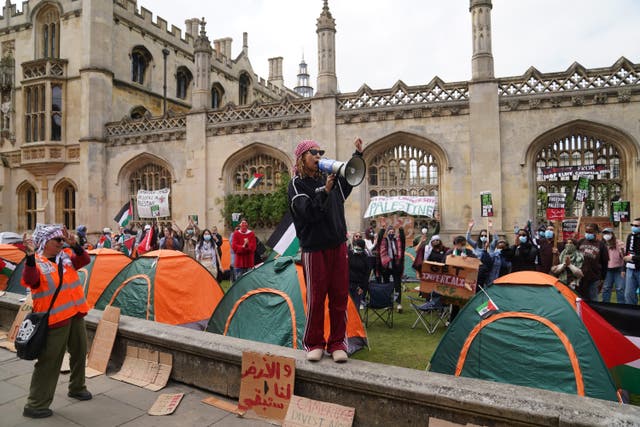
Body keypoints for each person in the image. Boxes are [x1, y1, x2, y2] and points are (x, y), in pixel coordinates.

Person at [288, 137, 364, 363]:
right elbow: (307, 212)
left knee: (340, 296)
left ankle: (338, 342)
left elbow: (349, 181)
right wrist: (324, 191)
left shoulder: (329, 179)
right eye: (313, 152)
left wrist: (357, 156)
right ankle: (314, 343)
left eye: (320, 152)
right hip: (314, 248)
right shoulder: (296, 185)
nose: (318, 156)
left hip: (338, 245)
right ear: (302, 157)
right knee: (317, 297)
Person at [20, 224, 92, 419]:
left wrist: (74, 244)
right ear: (45, 242)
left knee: (79, 352)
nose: (61, 243)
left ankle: (77, 387)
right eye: (57, 240)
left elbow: (85, 259)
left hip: (76, 314)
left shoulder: (66, 258)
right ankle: (35, 404)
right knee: (50, 362)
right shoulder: (36, 262)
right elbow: (30, 279)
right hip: (55, 320)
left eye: (62, 240)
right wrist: (29, 256)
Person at [576, 223, 608, 302]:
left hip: (594, 277)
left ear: (596, 232)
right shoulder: (581, 242)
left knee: (593, 299)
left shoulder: (601, 245)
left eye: (590, 232)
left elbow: (605, 263)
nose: (588, 234)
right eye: (586, 231)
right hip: (580, 277)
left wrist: (602, 278)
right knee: (580, 299)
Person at [379, 225, 406, 312]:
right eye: (390, 232)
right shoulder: (384, 241)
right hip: (386, 265)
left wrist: (401, 230)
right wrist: (382, 229)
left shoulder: (397, 241)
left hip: (395, 264)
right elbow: (379, 238)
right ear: (387, 233)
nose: (391, 233)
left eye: (393, 232)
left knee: (397, 284)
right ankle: (388, 303)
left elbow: (403, 240)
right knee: (386, 284)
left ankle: (398, 303)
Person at [601, 227, 626, 303]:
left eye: (608, 233)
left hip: (619, 269)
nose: (606, 235)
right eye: (604, 233)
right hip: (607, 270)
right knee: (606, 288)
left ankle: (621, 307)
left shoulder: (619, 243)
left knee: (620, 288)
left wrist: (622, 249)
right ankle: (606, 306)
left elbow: (624, 257)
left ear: (612, 234)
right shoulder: (601, 244)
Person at [348, 238, 369, 312]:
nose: (357, 248)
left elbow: (366, 275)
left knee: (355, 308)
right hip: (348, 284)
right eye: (356, 246)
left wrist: (362, 287)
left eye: (359, 246)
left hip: (358, 286)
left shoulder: (365, 258)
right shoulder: (350, 254)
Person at [623, 218, 640, 305]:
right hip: (630, 269)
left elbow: (631, 256)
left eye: (636, 226)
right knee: (628, 294)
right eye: (632, 225)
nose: (633, 227)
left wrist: (633, 258)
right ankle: (633, 314)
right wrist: (623, 269)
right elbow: (627, 253)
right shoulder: (630, 236)